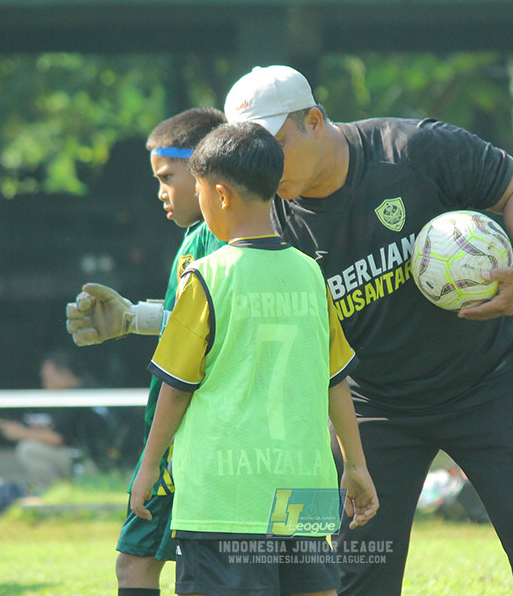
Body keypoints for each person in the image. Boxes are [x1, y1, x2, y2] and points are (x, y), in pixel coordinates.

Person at [68, 66, 513, 594]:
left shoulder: (411, 149)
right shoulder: (264, 212)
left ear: (314, 121)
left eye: (275, 144)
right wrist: (134, 318)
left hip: (489, 383)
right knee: (356, 574)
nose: (267, 166)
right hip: (373, 409)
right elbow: (220, 310)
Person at [131, 121, 378, 596]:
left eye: (199, 191)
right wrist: (356, 465)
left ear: (220, 195)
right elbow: (336, 380)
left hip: (225, 498)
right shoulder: (311, 275)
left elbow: (176, 387)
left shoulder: (205, 277)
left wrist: (148, 467)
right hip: (303, 494)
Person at [66, 108, 227, 596]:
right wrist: (134, 318)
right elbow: (198, 320)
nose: (160, 191)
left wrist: (155, 456)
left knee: (138, 568)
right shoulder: (198, 237)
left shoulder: (210, 237)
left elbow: (200, 342)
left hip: (185, 438)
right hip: (188, 438)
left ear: (203, 170)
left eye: (166, 177)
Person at [0, 349, 109, 492]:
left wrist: (21, 432)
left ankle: (53, 493)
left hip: (93, 464)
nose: (46, 386)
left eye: (49, 379)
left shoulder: (74, 398)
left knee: (28, 449)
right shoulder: (90, 389)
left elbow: (56, 438)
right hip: (99, 460)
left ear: (65, 374)